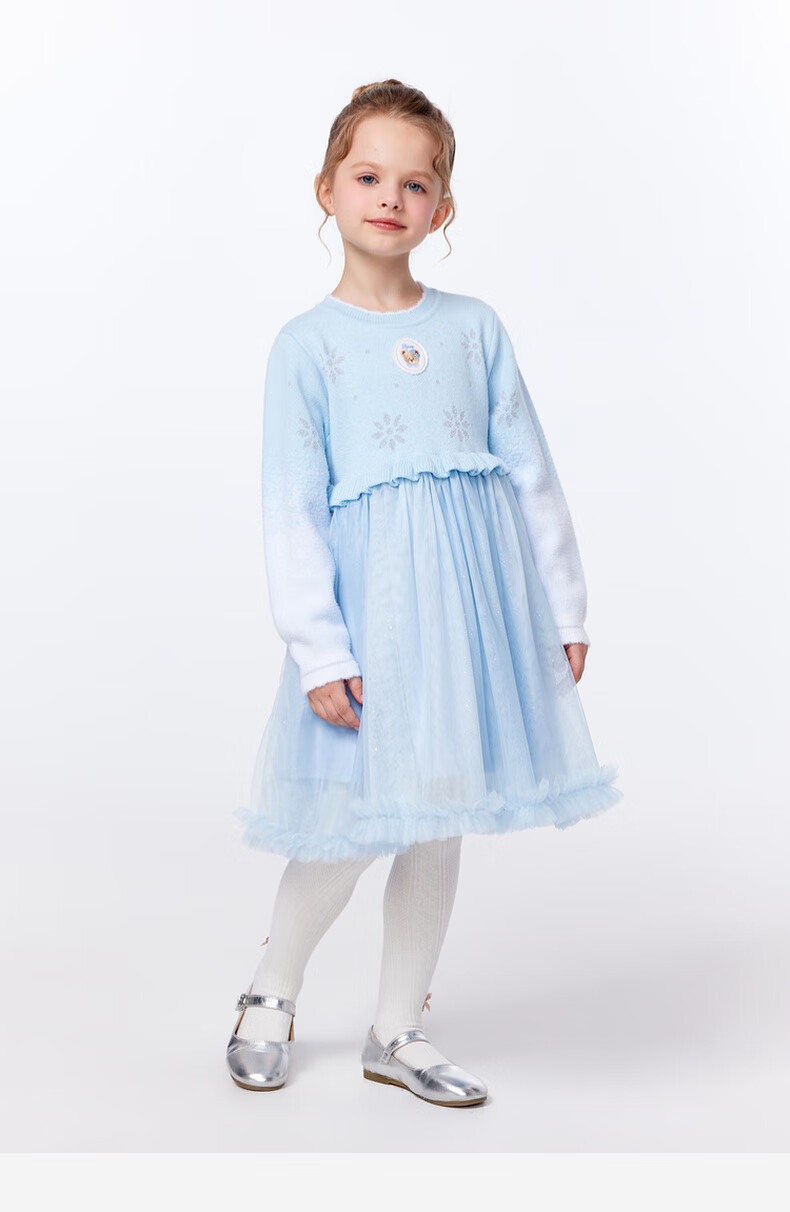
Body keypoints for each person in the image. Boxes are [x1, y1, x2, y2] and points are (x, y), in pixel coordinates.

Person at [228, 79, 624, 1107]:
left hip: (469, 621)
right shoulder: (306, 346)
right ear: (327, 188)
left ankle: (396, 1028)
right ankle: (272, 989)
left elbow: (531, 473)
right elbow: (290, 507)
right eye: (368, 176)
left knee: (438, 816)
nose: (390, 199)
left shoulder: (472, 328)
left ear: (441, 208)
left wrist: (562, 610)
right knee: (357, 822)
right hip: (372, 625)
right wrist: (320, 647)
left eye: (415, 184)